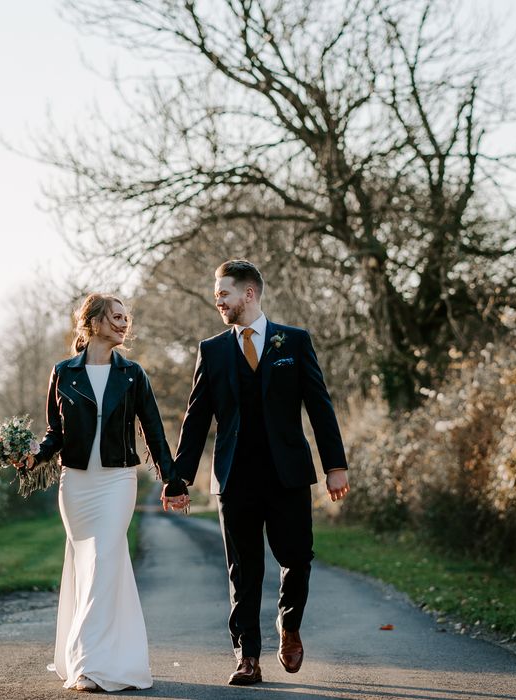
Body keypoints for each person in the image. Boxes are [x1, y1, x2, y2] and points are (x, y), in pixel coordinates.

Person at [161, 259, 350, 686]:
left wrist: (334, 465)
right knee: (242, 571)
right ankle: (248, 656)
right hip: (235, 478)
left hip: (288, 475)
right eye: (216, 296)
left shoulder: (294, 343)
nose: (219, 302)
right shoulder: (212, 350)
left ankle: (290, 625)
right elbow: (196, 419)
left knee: (297, 558)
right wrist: (179, 478)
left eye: (224, 294)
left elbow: (320, 407)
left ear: (249, 293)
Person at [33, 293, 185, 692]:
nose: (123, 323)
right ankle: (110, 657)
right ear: (94, 322)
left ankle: (87, 660)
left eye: (126, 317)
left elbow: (153, 431)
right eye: (116, 317)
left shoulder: (133, 374)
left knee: (102, 559)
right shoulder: (63, 372)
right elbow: (55, 433)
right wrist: (33, 456)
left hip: (118, 482)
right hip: (77, 485)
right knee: (91, 567)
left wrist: (172, 479)